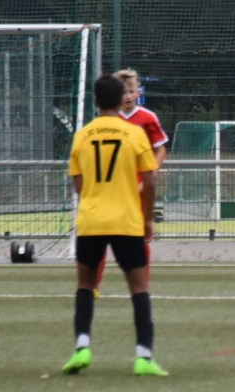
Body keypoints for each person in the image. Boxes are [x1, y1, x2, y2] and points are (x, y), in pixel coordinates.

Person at [62, 73, 167, 376]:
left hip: (91, 220)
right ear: (122, 99)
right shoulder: (134, 134)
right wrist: (148, 219)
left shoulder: (82, 135)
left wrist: (96, 198)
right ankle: (144, 358)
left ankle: (82, 348)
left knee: (85, 286)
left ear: (95, 101)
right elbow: (149, 181)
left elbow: (78, 184)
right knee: (139, 288)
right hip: (126, 220)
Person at [93, 68, 169, 299]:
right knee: (99, 237)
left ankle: (142, 286)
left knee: (139, 237)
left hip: (137, 189)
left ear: (138, 93)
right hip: (110, 188)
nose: (127, 96)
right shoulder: (106, 120)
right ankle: (93, 286)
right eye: (123, 92)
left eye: (131, 91)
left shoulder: (147, 118)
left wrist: (149, 176)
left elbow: (160, 150)